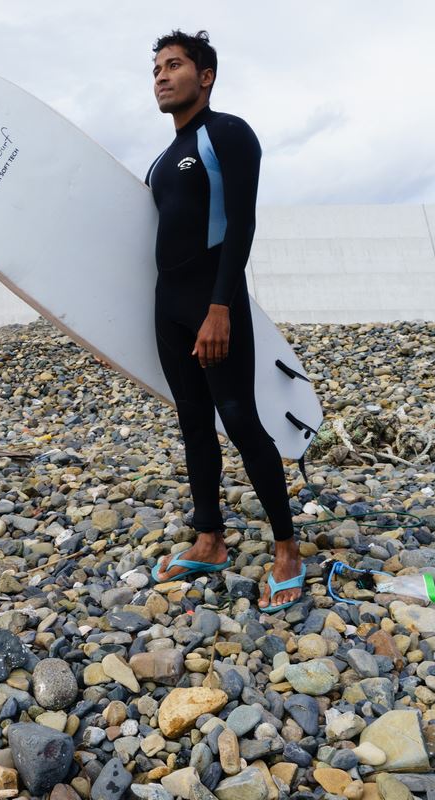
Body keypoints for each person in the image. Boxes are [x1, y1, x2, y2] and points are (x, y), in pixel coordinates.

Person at [145, 29, 304, 612]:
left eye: (174, 65)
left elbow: (240, 227)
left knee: (241, 422)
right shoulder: (162, 161)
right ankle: (209, 538)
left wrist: (220, 308)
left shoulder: (228, 134)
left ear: (205, 76)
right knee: (192, 423)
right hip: (169, 306)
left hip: (214, 303)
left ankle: (287, 550)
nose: (161, 76)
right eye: (157, 68)